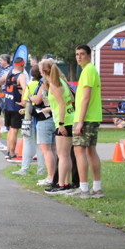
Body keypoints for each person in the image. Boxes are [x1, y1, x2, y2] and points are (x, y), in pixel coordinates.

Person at [71, 44, 104, 198]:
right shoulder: (90, 70)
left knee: (79, 151)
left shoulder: (88, 71)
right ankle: (96, 187)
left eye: (82, 54)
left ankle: (83, 188)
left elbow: (86, 97)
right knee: (91, 151)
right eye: (77, 54)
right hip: (92, 116)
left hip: (86, 117)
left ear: (89, 55)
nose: (79, 57)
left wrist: (80, 122)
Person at [40, 58, 76, 195]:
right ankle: (66, 183)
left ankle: (61, 184)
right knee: (66, 154)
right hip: (70, 119)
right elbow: (66, 101)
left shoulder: (54, 85)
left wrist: (61, 124)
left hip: (64, 121)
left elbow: (61, 105)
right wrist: (50, 109)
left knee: (62, 155)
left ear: (44, 71)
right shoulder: (61, 81)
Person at [24, 63, 54, 183]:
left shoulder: (41, 84)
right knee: (50, 149)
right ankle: (49, 173)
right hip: (49, 116)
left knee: (42, 147)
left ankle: (47, 174)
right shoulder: (54, 82)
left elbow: (33, 100)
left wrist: (30, 97)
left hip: (40, 116)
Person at [1, 56, 28, 163]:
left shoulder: (8, 73)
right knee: (14, 130)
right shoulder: (21, 76)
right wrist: (23, 101)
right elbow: (25, 89)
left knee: (10, 129)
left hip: (7, 104)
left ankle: (9, 151)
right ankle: (12, 153)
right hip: (16, 106)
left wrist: (2, 95)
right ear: (22, 65)